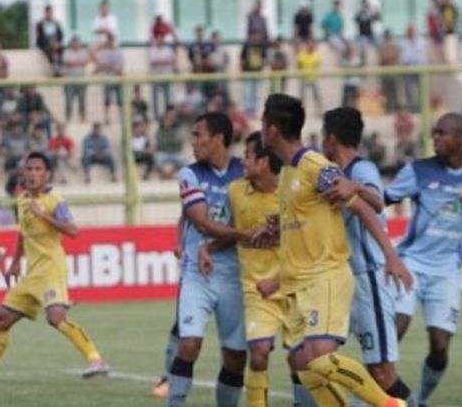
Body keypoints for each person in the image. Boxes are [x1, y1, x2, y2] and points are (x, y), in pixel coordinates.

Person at [257, 93, 410, 407]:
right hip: (303, 285)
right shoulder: (287, 173)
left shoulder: (315, 166)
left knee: (324, 361)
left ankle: (390, 404)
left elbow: (366, 208)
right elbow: (303, 227)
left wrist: (391, 257)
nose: (260, 129)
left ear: (272, 129)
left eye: (263, 123)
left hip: (327, 276)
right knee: (308, 368)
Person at [0, 152, 111, 385]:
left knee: (56, 317)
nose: (32, 174)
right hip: (31, 273)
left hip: (52, 269)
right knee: (1, 319)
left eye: (37, 169)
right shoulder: (22, 200)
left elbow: (72, 230)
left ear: (47, 174)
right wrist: (14, 262)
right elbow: (24, 232)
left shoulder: (55, 200)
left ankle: (96, 359)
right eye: (28, 169)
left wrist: (44, 215)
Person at [385, 113, 462, 407]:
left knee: (440, 346)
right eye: (434, 133)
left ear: (459, 137)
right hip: (411, 264)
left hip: (446, 270)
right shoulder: (419, 170)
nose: (436, 138)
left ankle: (420, 399)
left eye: (442, 133)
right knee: (397, 328)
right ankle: (366, 398)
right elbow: (384, 197)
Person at [320, 107, 416, 405]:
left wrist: (357, 187)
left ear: (332, 138)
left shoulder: (362, 170)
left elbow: (376, 202)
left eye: (324, 136)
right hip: (339, 279)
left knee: (382, 371)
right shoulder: (328, 172)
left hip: (368, 278)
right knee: (312, 357)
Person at [213, 131, 308, 407]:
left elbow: (308, 240)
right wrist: (208, 248)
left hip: (293, 287)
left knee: (300, 360)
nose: (242, 162)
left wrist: (281, 233)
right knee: (258, 354)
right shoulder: (235, 191)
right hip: (257, 290)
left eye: (248, 156)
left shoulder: (293, 193)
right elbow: (228, 230)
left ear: (264, 161)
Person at [167, 112, 251, 407]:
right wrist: (245, 234)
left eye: (198, 135)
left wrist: (235, 237)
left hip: (235, 276)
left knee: (236, 357)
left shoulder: (246, 171)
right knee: (189, 344)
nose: (193, 142)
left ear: (218, 139)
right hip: (196, 273)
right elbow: (200, 222)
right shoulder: (190, 174)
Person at [92, 32, 124, 124]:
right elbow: (103, 65)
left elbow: (120, 67)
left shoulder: (118, 52)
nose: (110, 41)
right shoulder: (104, 52)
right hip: (108, 79)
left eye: (111, 39)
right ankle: (107, 117)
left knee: (120, 100)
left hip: (117, 79)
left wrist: (111, 67)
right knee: (107, 100)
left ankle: (122, 116)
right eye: (108, 39)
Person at [148, 34, 176, 120]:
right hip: (156, 77)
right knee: (155, 97)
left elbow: (172, 60)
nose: (160, 41)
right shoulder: (152, 50)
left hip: (166, 76)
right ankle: (156, 116)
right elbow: (152, 61)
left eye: (162, 39)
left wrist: (160, 61)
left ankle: (168, 115)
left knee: (168, 97)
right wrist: (163, 61)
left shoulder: (168, 49)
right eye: (158, 39)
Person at [62, 36, 89, 122]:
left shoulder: (83, 52)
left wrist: (74, 63)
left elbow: (85, 62)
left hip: (81, 80)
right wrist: (78, 63)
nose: (76, 44)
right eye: (74, 43)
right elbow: (67, 63)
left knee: (82, 101)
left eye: (77, 42)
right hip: (69, 80)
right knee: (68, 101)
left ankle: (83, 119)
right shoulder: (67, 52)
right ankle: (68, 119)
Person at [400, 24, 427, 112]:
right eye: (409, 31)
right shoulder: (404, 42)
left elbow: (422, 57)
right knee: (408, 90)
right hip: (408, 69)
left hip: (419, 69)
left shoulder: (421, 41)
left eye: (411, 31)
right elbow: (404, 58)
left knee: (421, 90)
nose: (410, 33)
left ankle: (422, 108)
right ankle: (411, 109)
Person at [240, 31, 266, 117]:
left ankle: (254, 111)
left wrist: (262, 68)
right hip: (248, 73)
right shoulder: (246, 46)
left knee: (256, 93)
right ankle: (248, 111)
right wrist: (242, 72)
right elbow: (242, 60)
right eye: (254, 35)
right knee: (248, 93)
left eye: (257, 35)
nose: (255, 38)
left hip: (258, 73)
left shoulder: (261, 47)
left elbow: (264, 59)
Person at [36, 5, 64, 76]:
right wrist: (50, 43)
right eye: (47, 13)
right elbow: (41, 37)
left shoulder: (56, 23)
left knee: (61, 49)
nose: (49, 14)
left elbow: (60, 35)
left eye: (50, 12)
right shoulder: (40, 24)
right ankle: (54, 68)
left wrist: (57, 42)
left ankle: (59, 67)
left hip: (55, 42)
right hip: (45, 43)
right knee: (49, 51)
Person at [378, 30, 401, 113]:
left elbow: (396, 56)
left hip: (393, 73)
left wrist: (387, 58)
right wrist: (389, 58)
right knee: (386, 92)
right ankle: (388, 109)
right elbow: (381, 58)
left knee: (394, 92)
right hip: (385, 73)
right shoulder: (381, 46)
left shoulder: (395, 45)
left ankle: (395, 109)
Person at [296, 40, 322, 113]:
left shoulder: (316, 55)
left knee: (316, 96)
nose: (310, 47)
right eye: (308, 45)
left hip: (313, 78)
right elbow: (299, 65)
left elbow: (316, 64)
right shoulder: (301, 54)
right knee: (302, 96)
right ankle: (300, 111)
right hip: (304, 78)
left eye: (311, 45)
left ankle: (319, 110)